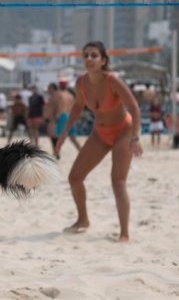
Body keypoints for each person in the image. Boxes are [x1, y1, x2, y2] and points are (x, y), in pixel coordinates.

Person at [55, 41, 143, 242]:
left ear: (103, 61)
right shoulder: (81, 83)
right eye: (86, 55)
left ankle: (124, 234)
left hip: (124, 131)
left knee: (117, 181)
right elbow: (77, 107)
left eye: (94, 55)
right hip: (100, 133)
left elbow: (135, 108)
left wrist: (135, 137)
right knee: (75, 177)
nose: (89, 59)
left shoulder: (113, 81)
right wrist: (63, 134)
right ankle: (83, 220)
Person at [50, 83, 82, 153]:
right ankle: (81, 151)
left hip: (63, 115)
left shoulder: (58, 94)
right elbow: (75, 107)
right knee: (72, 137)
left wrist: (55, 116)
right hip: (70, 115)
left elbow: (58, 105)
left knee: (56, 136)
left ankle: (56, 152)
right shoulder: (71, 95)